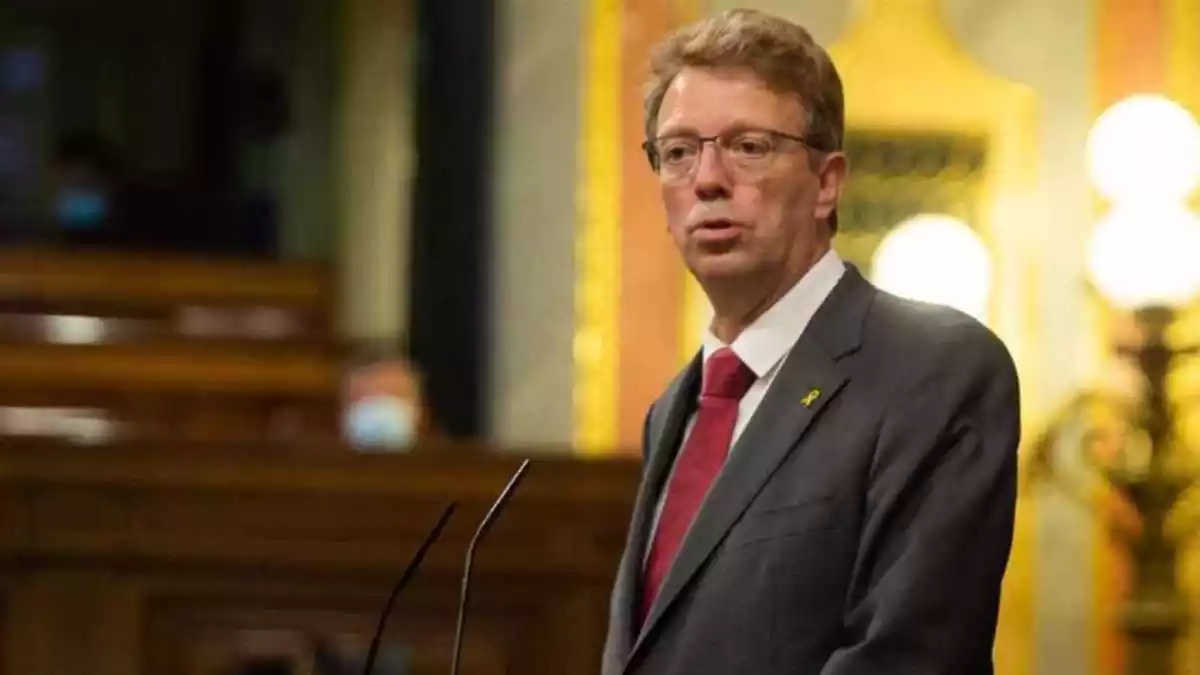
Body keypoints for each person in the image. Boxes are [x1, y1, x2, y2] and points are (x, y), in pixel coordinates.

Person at [601, 9, 1021, 675]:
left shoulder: (935, 367)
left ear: (827, 183)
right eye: (679, 150)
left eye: (748, 146)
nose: (706, 179)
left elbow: (910, 657)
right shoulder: (674, 410)